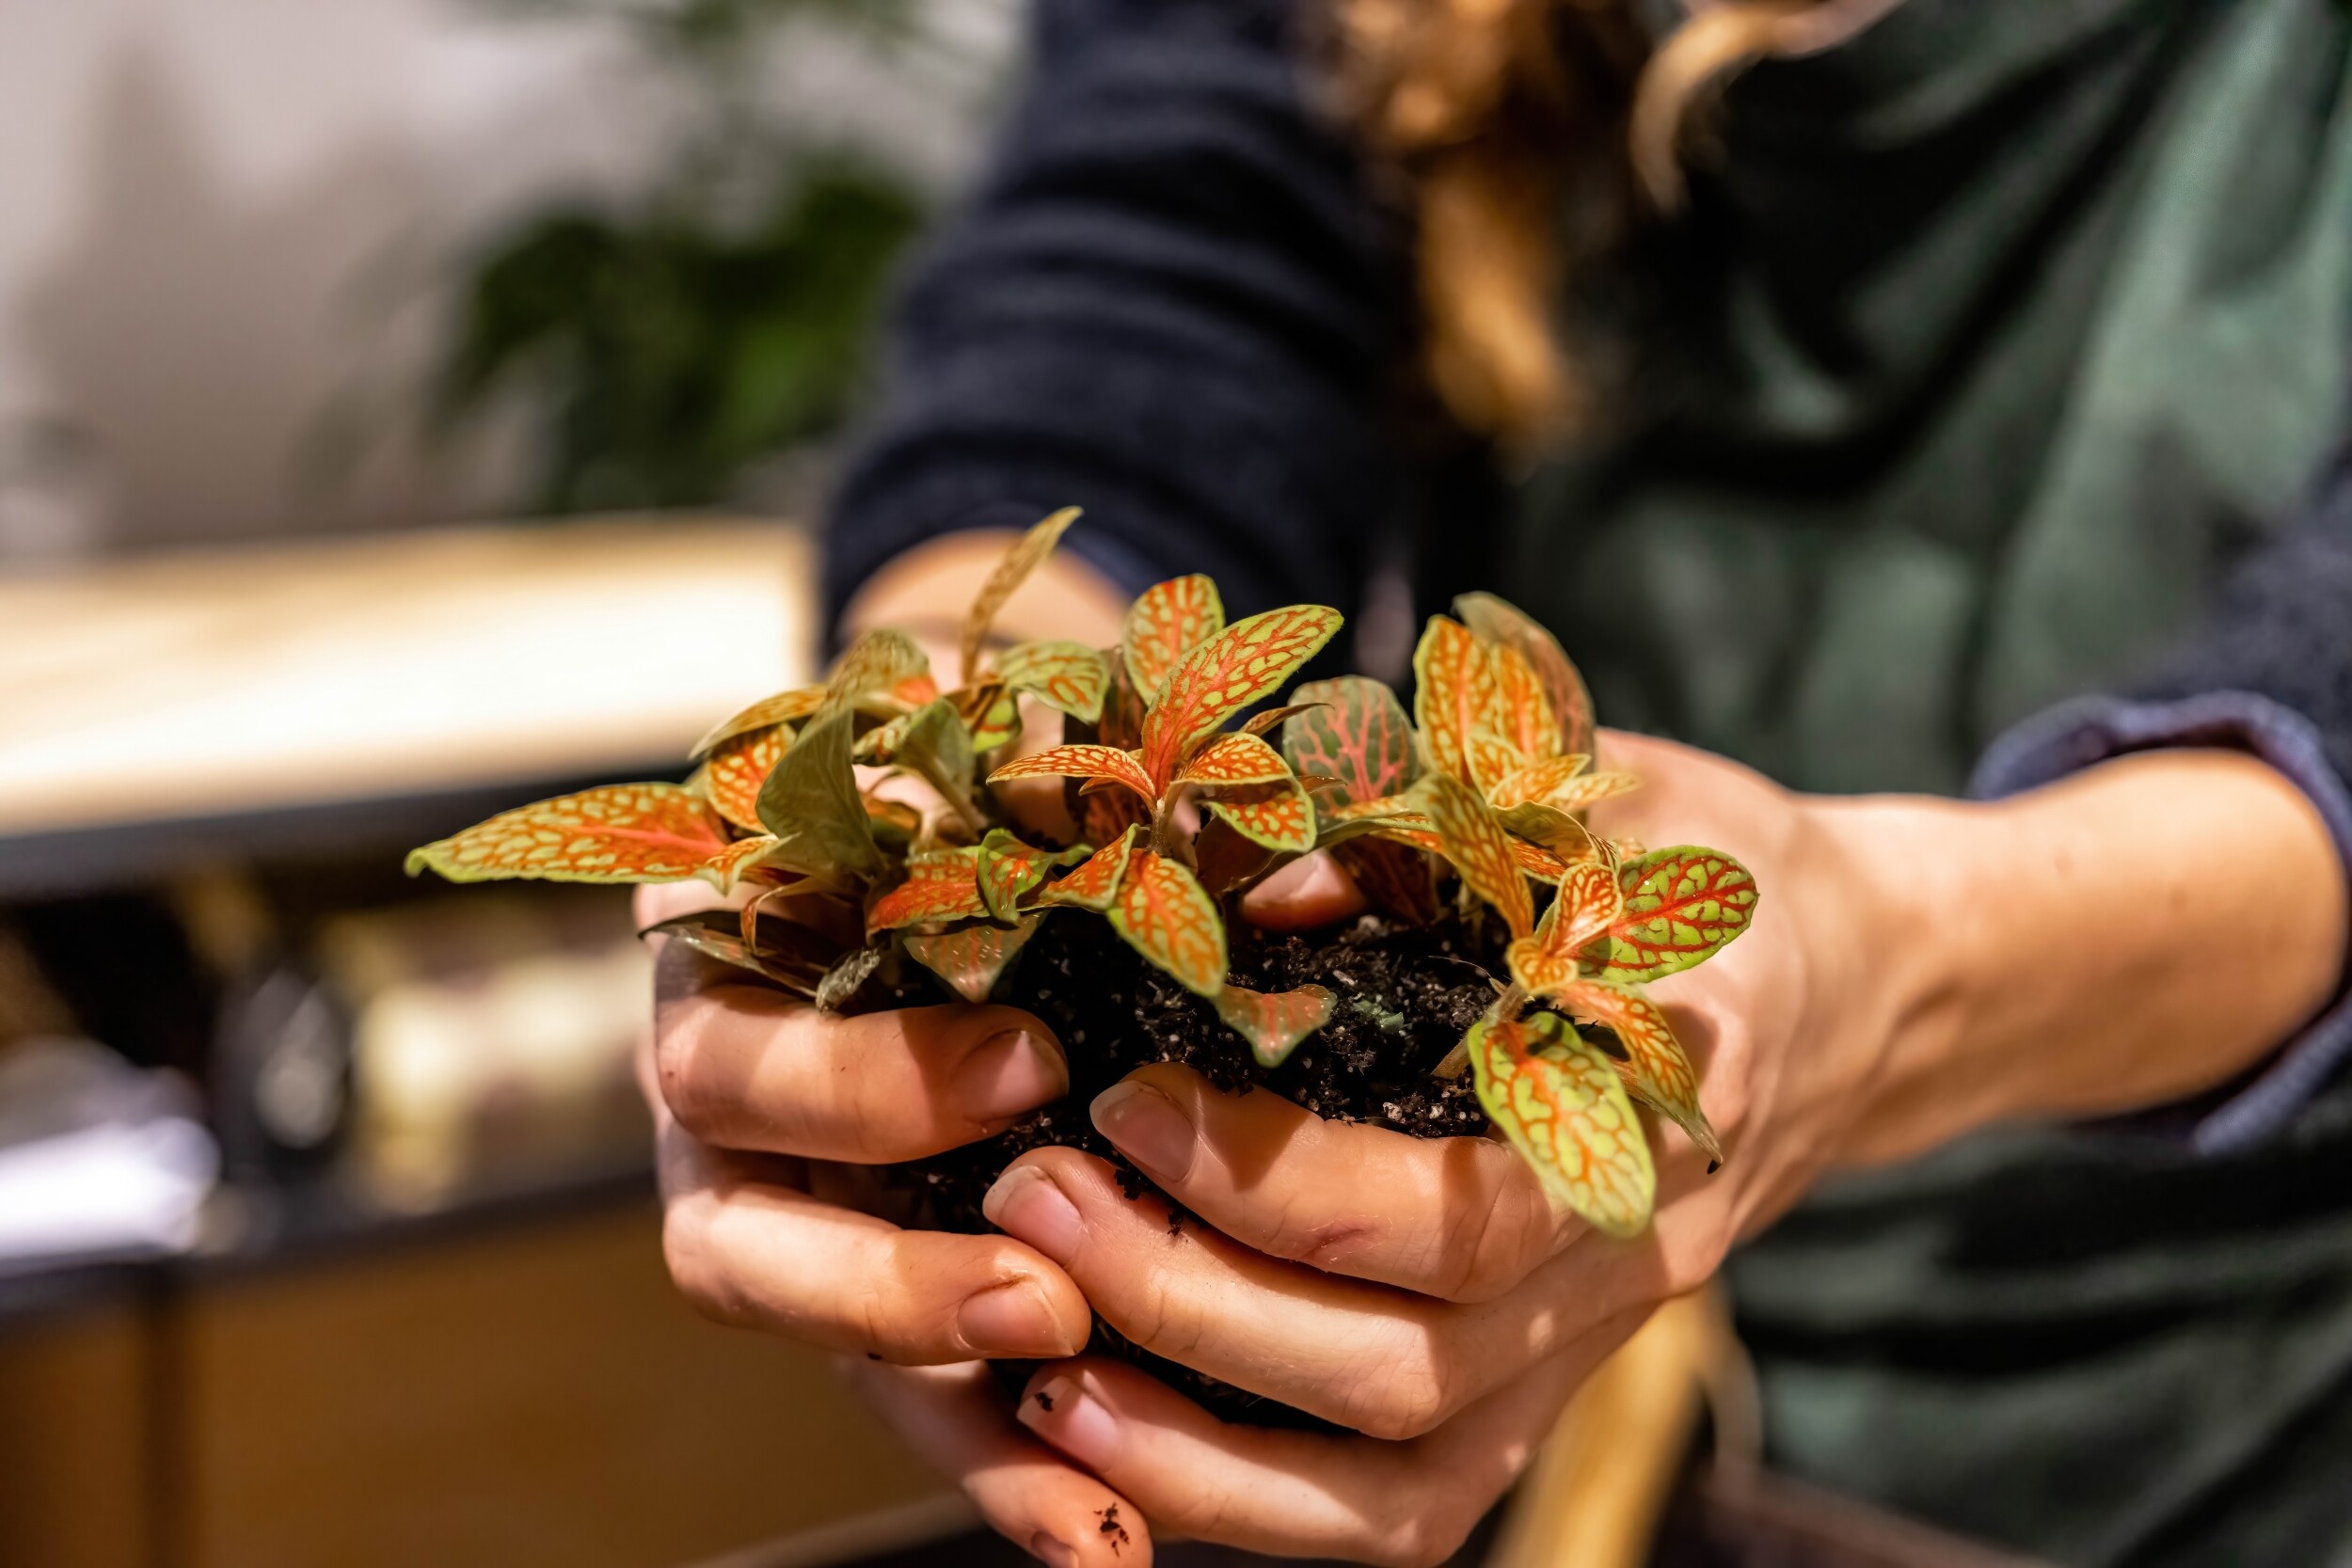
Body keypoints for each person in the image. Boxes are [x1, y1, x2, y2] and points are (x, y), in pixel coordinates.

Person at [641, 0, 2352, 1561]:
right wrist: (941, 738)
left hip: (2226, 1413)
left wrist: (1894, 961)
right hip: (1577, 1436)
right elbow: (1156, 270)